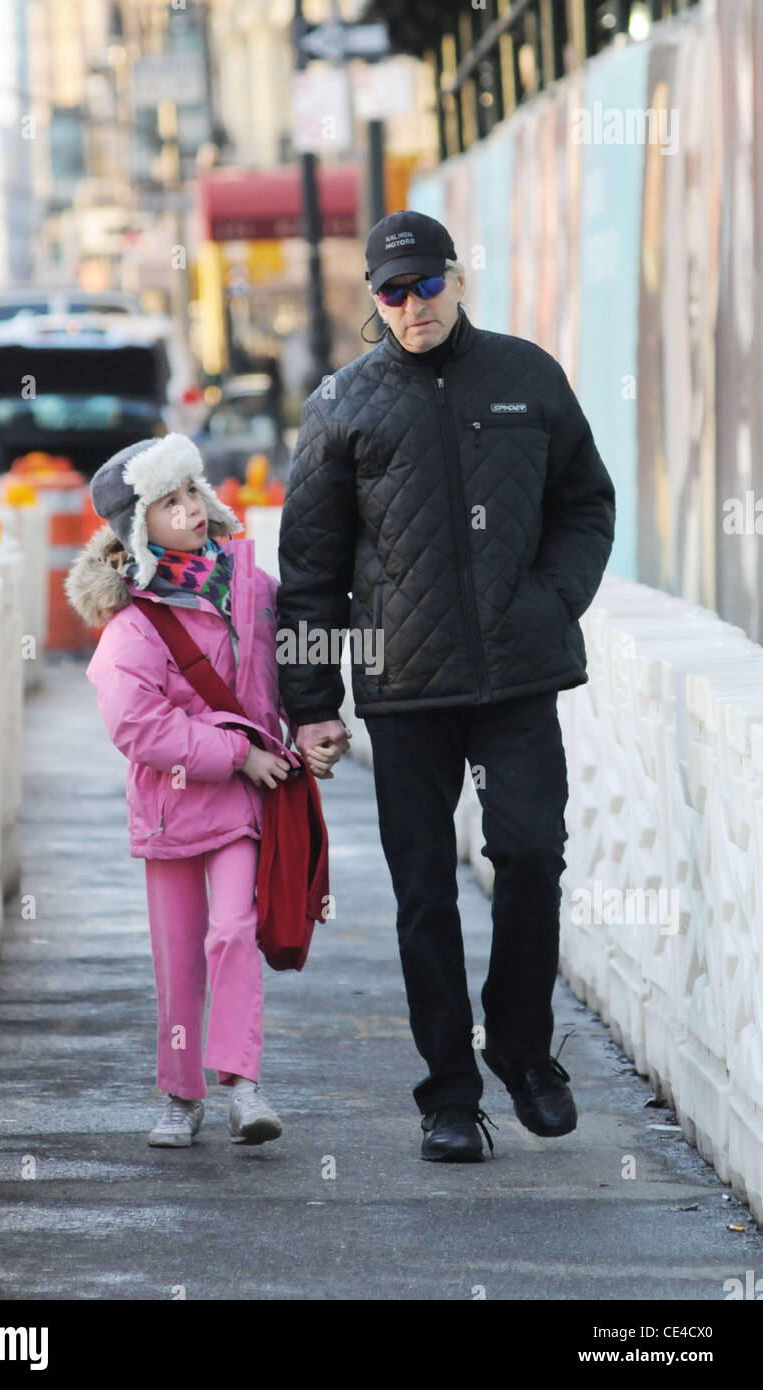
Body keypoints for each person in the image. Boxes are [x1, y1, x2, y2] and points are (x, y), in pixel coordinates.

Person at [277, 210, 616, 1163]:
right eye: (393, 292)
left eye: (428, 285)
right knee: (423, 891)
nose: (413, 305)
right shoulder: (342, 405)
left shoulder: (526, 376)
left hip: (518, 676)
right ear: (373, 304)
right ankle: (449, 1094)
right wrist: (311, 702)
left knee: (531, 856)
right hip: (403, 688)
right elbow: (307, 569)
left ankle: (519, 1047)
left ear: (457, 281)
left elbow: (585, 501)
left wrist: (551, 601)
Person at [65, 434, 327, 1149]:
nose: (187, 509)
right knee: (177, 953)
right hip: (170, 808)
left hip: (243, 803)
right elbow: (135, 722)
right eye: (166, 501)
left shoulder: (248, 587)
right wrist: (236, 753)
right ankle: (181, 1097)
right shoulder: (133, 621)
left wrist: (307, 729)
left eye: (190, 492)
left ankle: (243, 1084)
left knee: (233, 930)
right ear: (134, 525)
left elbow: (285, 669)